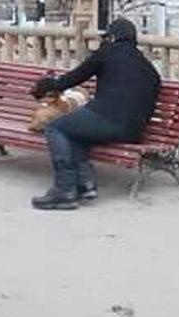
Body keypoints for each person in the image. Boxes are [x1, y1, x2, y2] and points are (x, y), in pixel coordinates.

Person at [29, 17, 161, 210]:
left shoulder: (108, 52)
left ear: (113, 38)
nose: (104, 41)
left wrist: (46, 86)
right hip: (132, 132)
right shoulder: (149, 69)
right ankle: (86, 184)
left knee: (56, 128)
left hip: (106, 119)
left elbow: (74, 78)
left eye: (106, 38)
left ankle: (64, 189)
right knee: (76, 133)